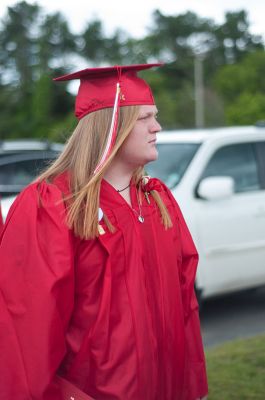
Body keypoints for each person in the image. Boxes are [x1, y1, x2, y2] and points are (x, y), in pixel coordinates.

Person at [0, 63, 208, 400]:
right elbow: (27, 333)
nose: (158, 127)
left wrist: (192, 387)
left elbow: (186, 308)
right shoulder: (53, 207)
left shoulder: (157, 202)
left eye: (155, 116)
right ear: (111, 125)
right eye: (144, 118)